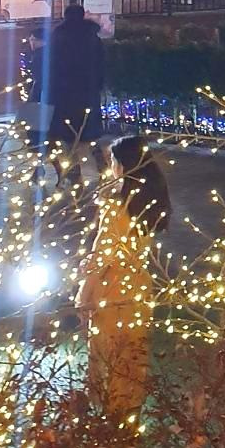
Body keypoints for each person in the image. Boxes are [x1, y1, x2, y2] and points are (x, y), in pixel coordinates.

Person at [77, 135, 171, 419]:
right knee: (132, 359)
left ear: (123, 165)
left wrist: (83, 295)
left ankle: (108, 422)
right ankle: (128, 419)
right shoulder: (149, 203)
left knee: (108, 358)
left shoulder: (116, 208)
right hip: (138, 288)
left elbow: (103, 258)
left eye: (113, 161)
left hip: (112, 290)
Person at [43, 4, 105, 182]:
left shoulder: (58, 37)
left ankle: (74, 175)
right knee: (88, 133)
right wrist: (97, 85)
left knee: (67, 137)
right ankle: (103, 167)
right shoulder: (93, 37)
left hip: (63, 94)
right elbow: (101, 65)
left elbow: (51, 66)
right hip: (87, 92)